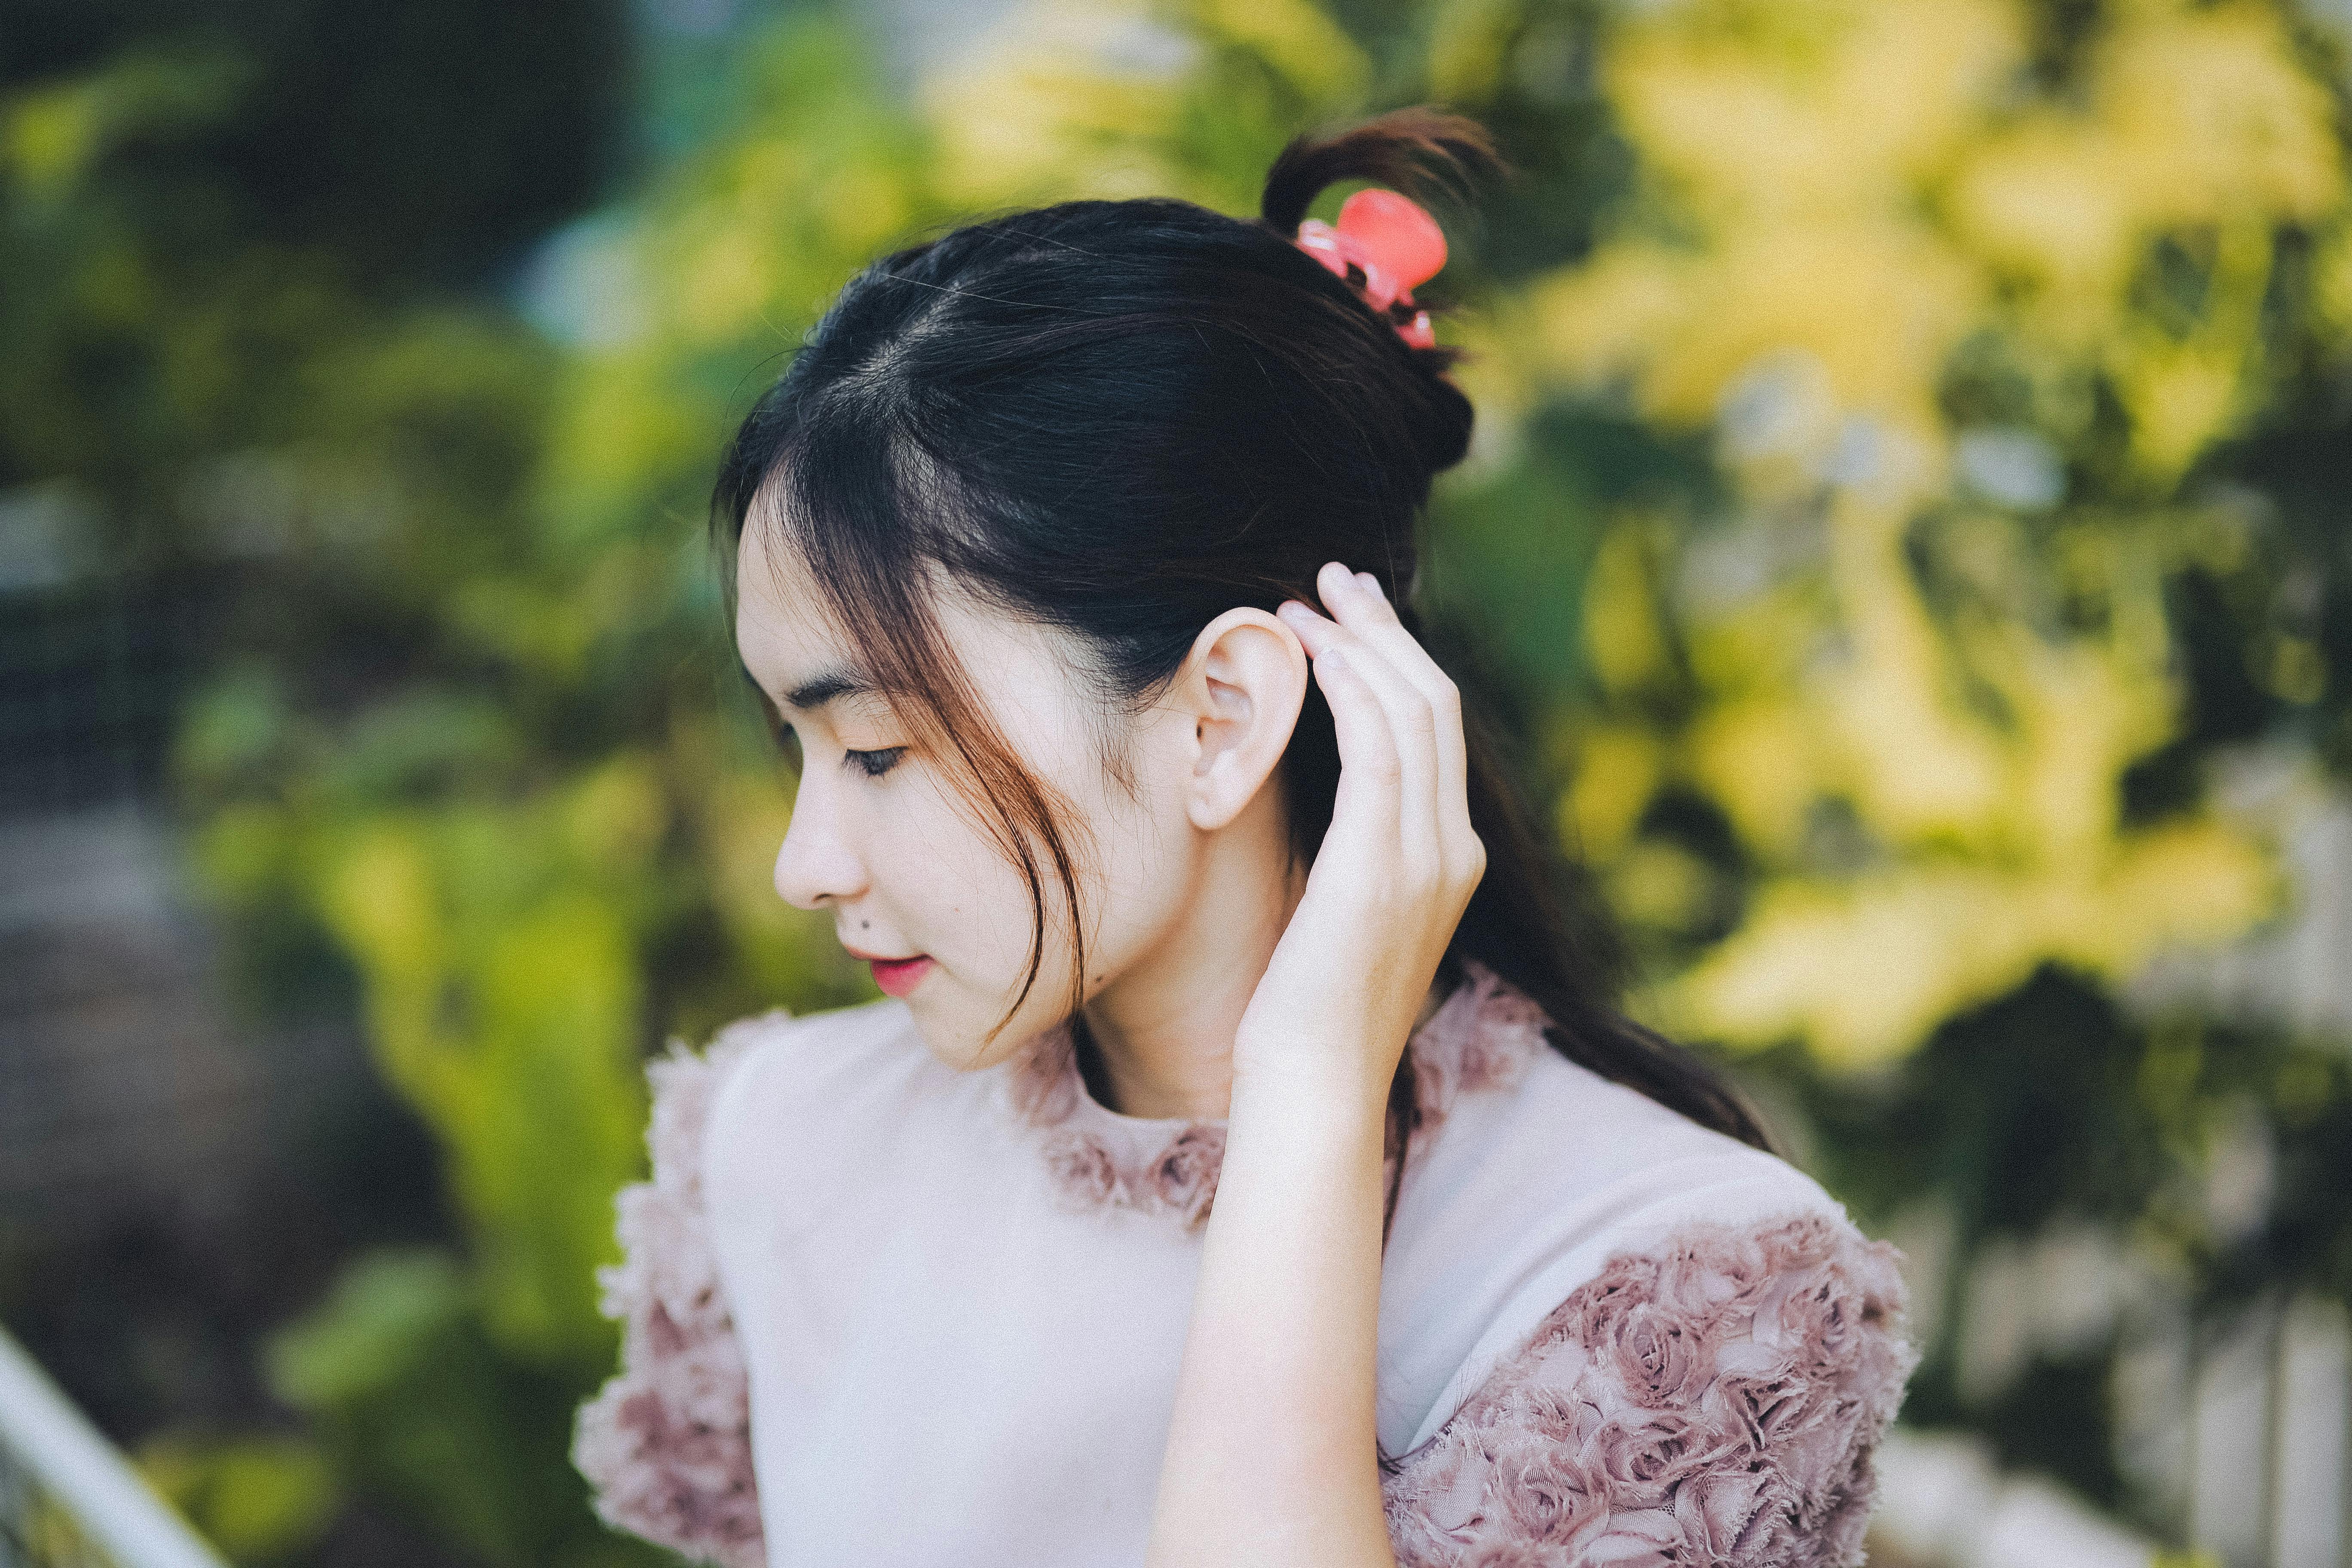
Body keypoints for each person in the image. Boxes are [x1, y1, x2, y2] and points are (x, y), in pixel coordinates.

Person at [571, 108, 1916, 1568]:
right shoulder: (790, 1146)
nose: (804, 862)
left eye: (882, 748)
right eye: (800, 744)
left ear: (1221, 716)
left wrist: (1311, 1096)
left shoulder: (1653, 1298)